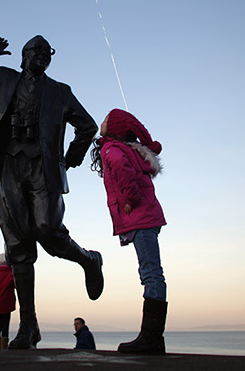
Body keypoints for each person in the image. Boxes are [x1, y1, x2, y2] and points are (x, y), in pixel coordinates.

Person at [0, 36, 103, 350]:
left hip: (43, 168)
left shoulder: (60, 92)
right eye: (37, 50)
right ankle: (29, 326)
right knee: (18, 245)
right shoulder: (4, 79)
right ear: (24, 56)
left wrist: (71, 158)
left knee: (47, 229)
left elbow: (88, 126)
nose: (43, 55)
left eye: (48, 51)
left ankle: (89, 261)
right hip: (8, 166)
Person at [90, 108, 168, 354]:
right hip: (148, 217)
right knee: (150, 271)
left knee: (151, 274)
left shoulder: (112, 149)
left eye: (105, 121)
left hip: (140, 217)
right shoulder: (128, 150)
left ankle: (151, 339)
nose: (100, 123)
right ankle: (153, 338)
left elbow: (123, 172)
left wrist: (129, 200)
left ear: (115, 129)